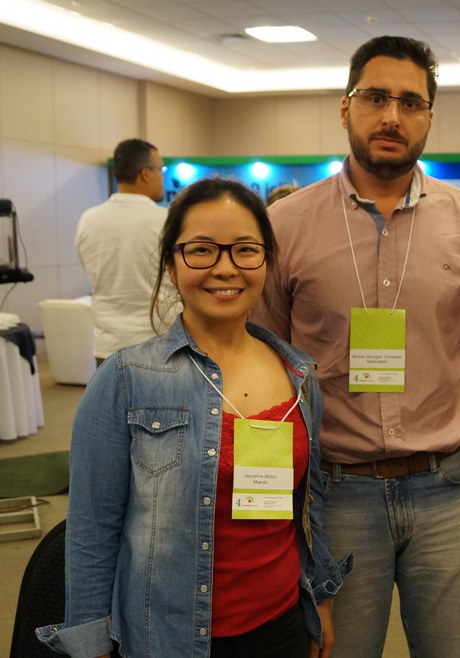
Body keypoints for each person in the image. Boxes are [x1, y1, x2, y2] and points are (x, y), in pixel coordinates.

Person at [252, 35, 460, 658]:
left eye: (410, 102)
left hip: (448, 487)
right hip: (336, 492)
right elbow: (267, 360)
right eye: (375, 98)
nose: (392, 116)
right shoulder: (286, 225)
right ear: (346, 108)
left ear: (429, 118)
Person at [39, 178, 348, 658]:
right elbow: (90, 533)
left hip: (282, 625)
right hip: (171, 638)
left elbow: (308, 507)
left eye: (245, 250)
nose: (225, 267)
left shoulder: (299, 375)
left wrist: (320, 599)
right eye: (201, 249)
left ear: (267, 260)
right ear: (171, 263)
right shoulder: (126, 379)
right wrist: (91, 644)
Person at [75, 138, 172, 365]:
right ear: (145, 174)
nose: (163, 177)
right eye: (161, 170)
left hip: (107, 347)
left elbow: (90, 274)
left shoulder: (88, 220)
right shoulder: (167, 220)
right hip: (159, 343)